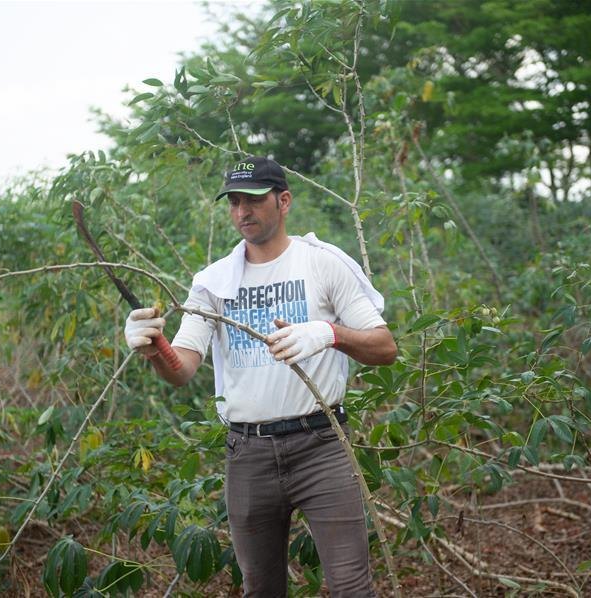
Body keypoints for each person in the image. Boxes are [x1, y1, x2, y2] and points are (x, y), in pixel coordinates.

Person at [123, 155, 396, 597]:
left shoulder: (324, 263)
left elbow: (385, 348)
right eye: (233, 202)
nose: (241, 212)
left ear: (283, 201)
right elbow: (183, 368)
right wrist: (155, 347)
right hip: (248, 453)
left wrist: (327, 334)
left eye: (251, 200)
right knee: (260, 588)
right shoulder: (213, 281)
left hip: (322, 445)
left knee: (352, 586)